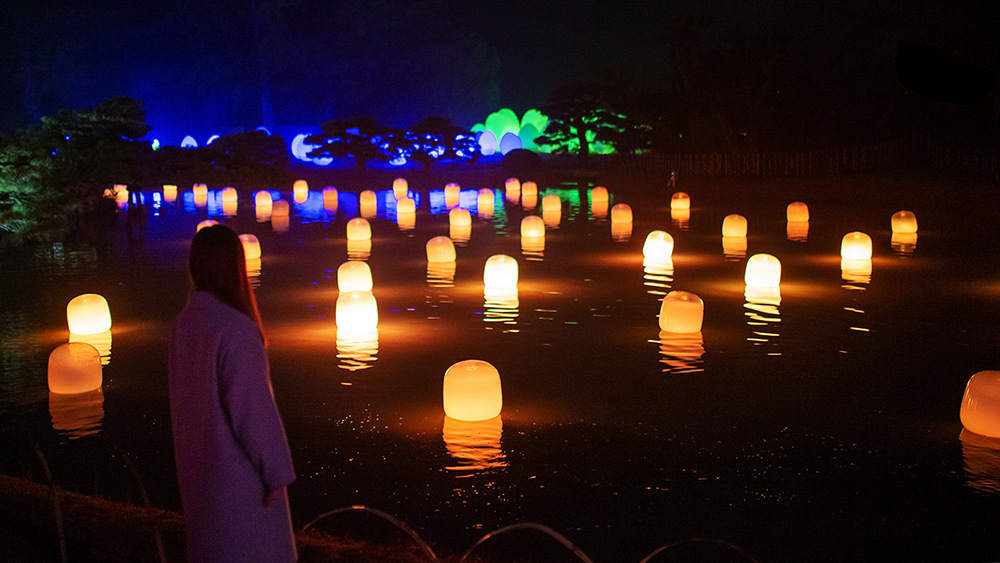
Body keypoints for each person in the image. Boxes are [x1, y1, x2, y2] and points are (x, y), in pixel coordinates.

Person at [168, 224, 297, 563]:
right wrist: (276, 473)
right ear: (236, 267)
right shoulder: (236, 330)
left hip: (199, 472)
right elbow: (253, 413)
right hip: (238, 483)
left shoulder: (185, 323)